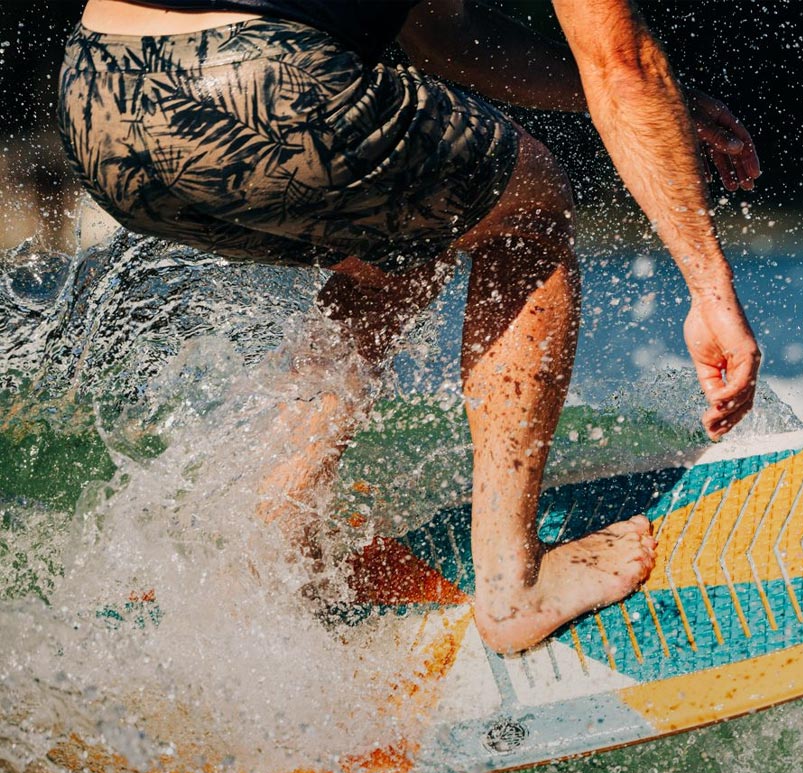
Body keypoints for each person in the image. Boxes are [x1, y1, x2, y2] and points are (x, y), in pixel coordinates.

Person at [59, 0, 763, 653]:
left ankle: (269, 536)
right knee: (530, 208)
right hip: (260, 79)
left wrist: (659, 103)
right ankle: (513, 587)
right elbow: (624, 63)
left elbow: (440, 37)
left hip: (98, 105)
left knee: (414, 224)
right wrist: (710, 292)